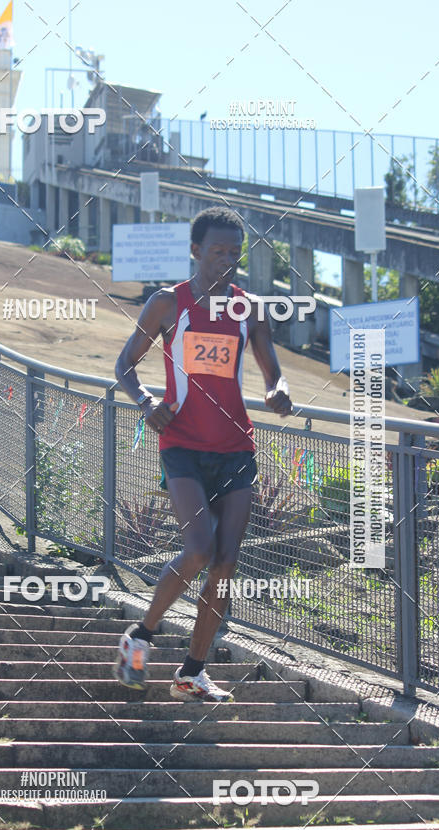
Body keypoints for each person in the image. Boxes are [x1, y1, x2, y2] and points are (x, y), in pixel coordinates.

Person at [112, 205, 292, 702]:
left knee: (226, 565)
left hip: (235, 448)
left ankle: (193, 671)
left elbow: (272, 369)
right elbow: (124, 365)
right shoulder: (168, 304)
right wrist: (146, 402)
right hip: (183, 445)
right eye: (218, 252)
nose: (228, 261)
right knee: (198, 549)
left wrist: (279, 390)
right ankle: (140, 637)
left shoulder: (249, 308)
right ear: (195, 251)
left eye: (236, 253)